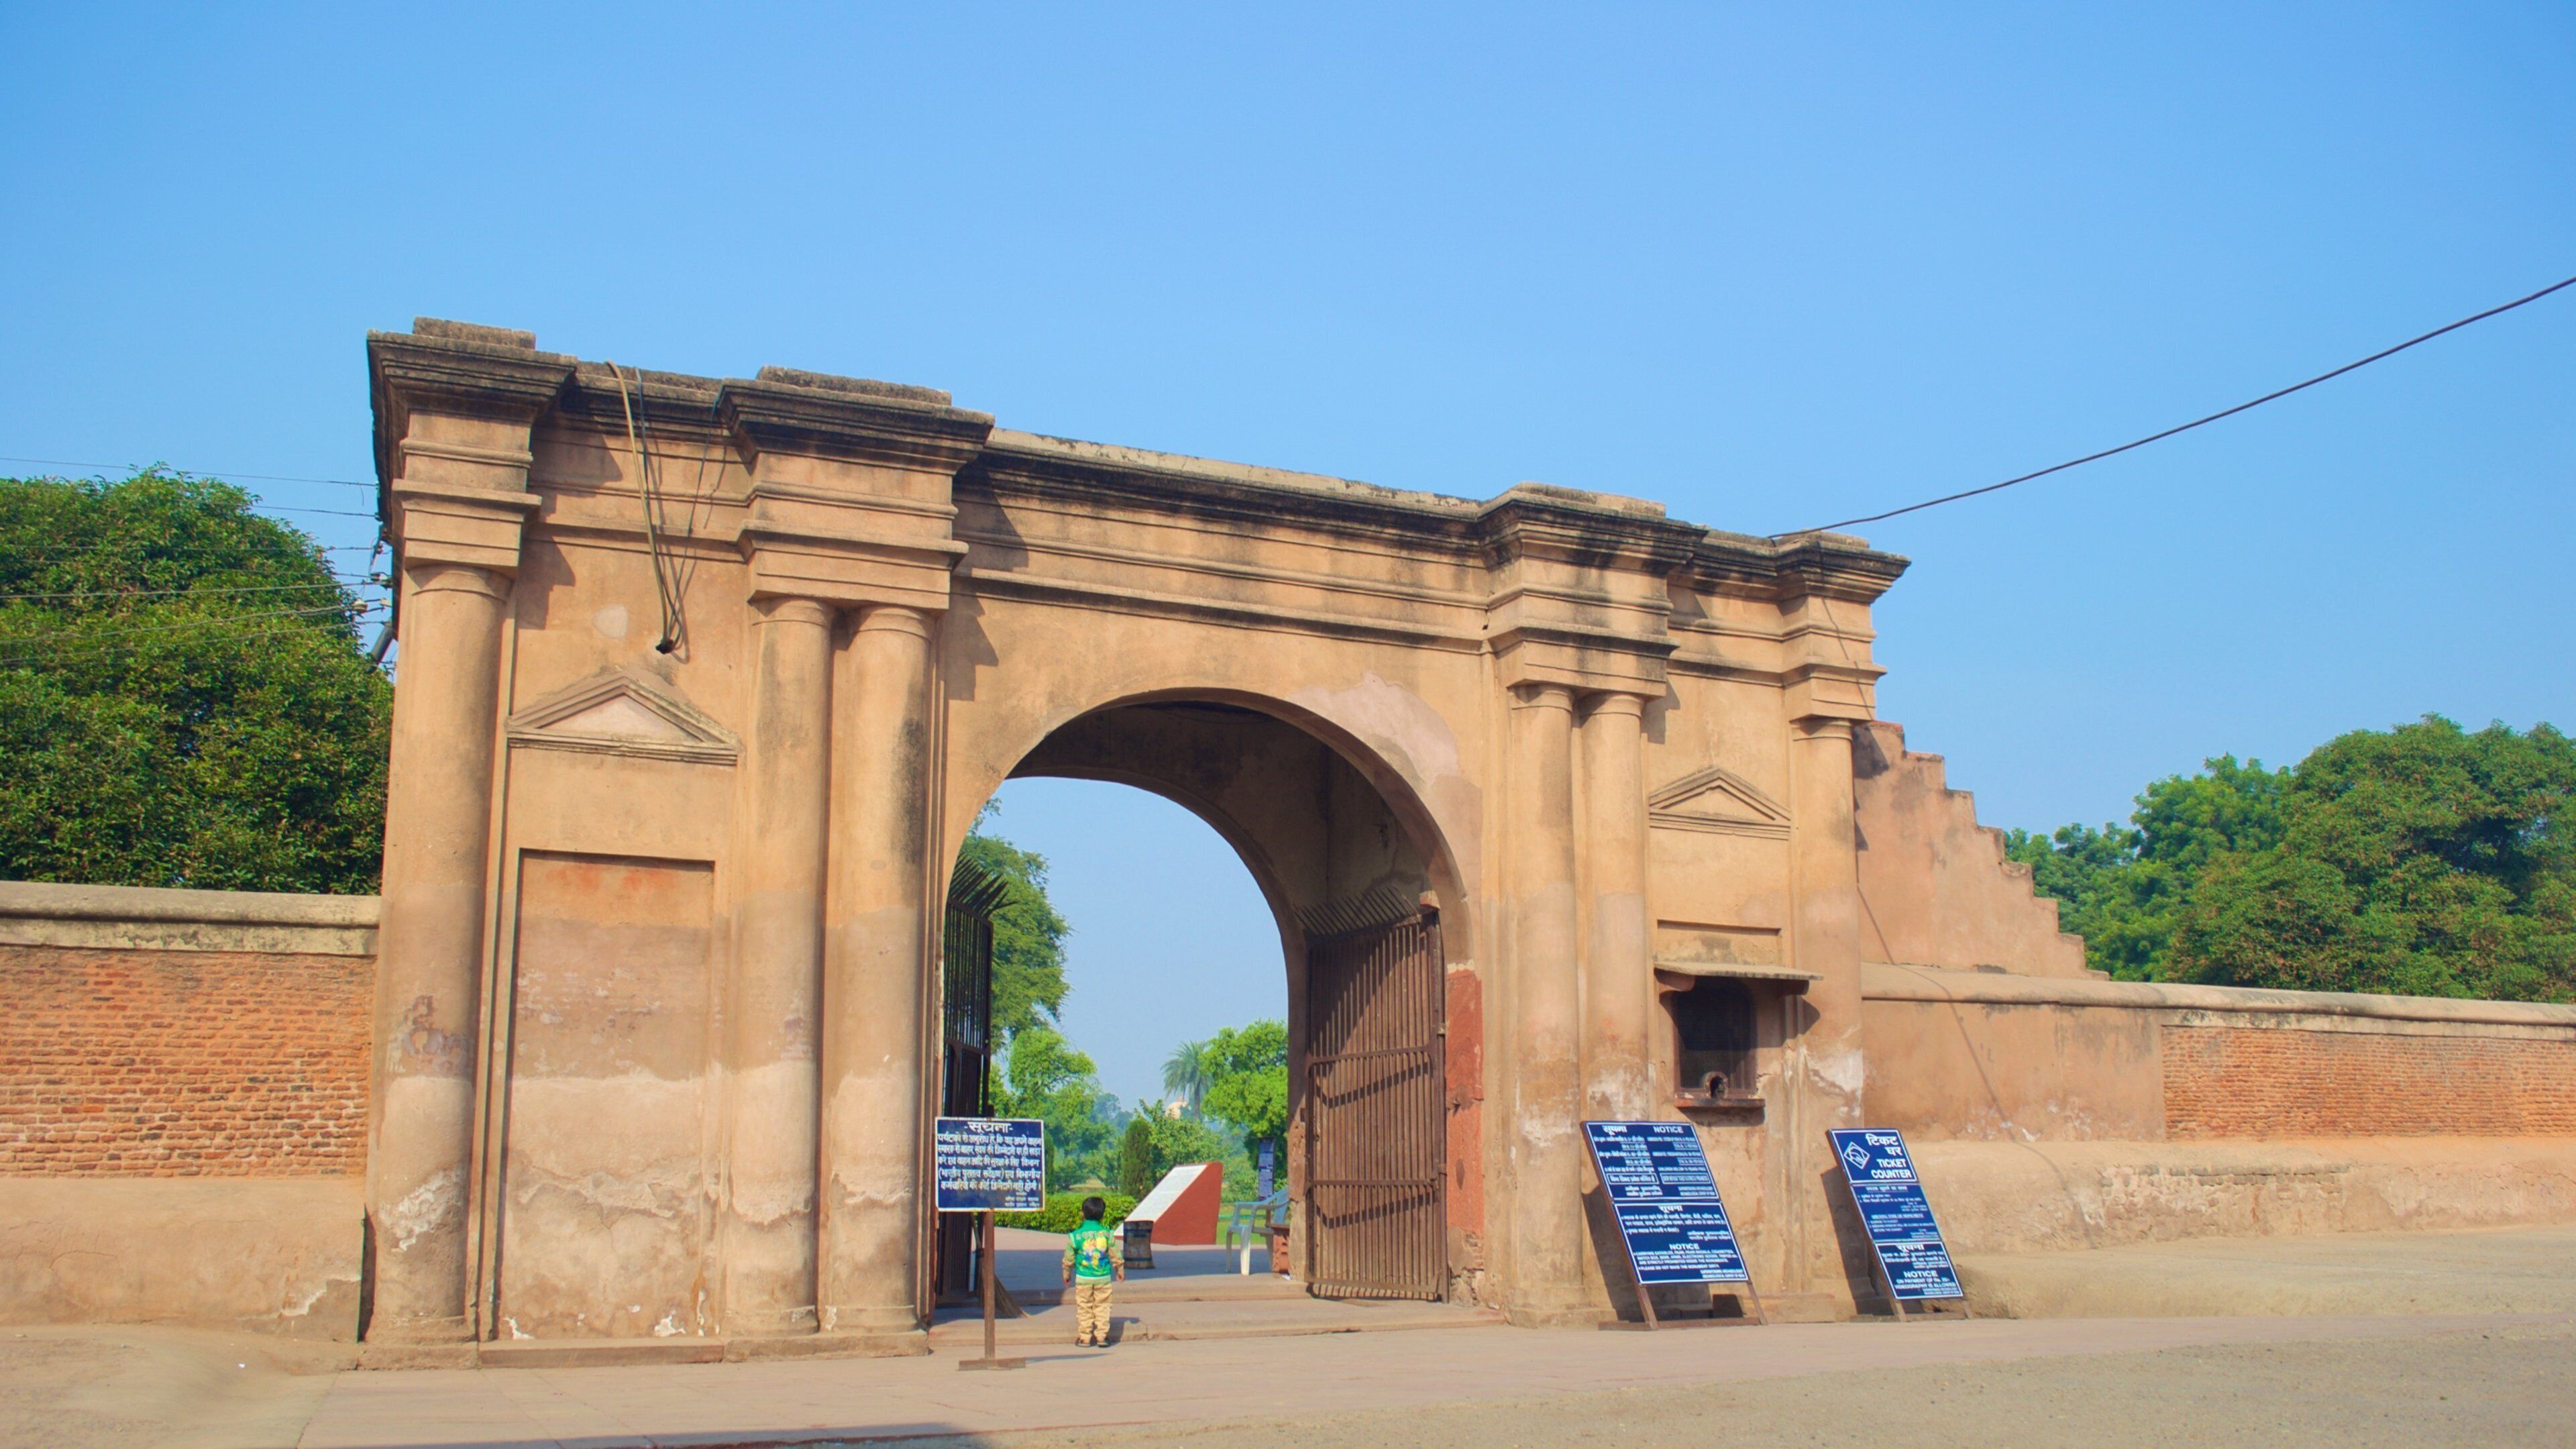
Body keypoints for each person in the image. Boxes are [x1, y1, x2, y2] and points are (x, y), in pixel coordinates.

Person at [1061, 1195, 1124, 1347]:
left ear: (1082, 1214)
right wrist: (1120, 1269)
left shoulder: (1075, 1236)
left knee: (1084, 1307)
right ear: (1102, 1215)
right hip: (1103, 1278)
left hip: (1083, 1279)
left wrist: (1067, 1273)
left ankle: (1085, 1337)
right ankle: (1102, 1337)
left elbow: (1069, 1258)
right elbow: (1116, 1254)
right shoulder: (1107, 1234)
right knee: (1103, 1306)